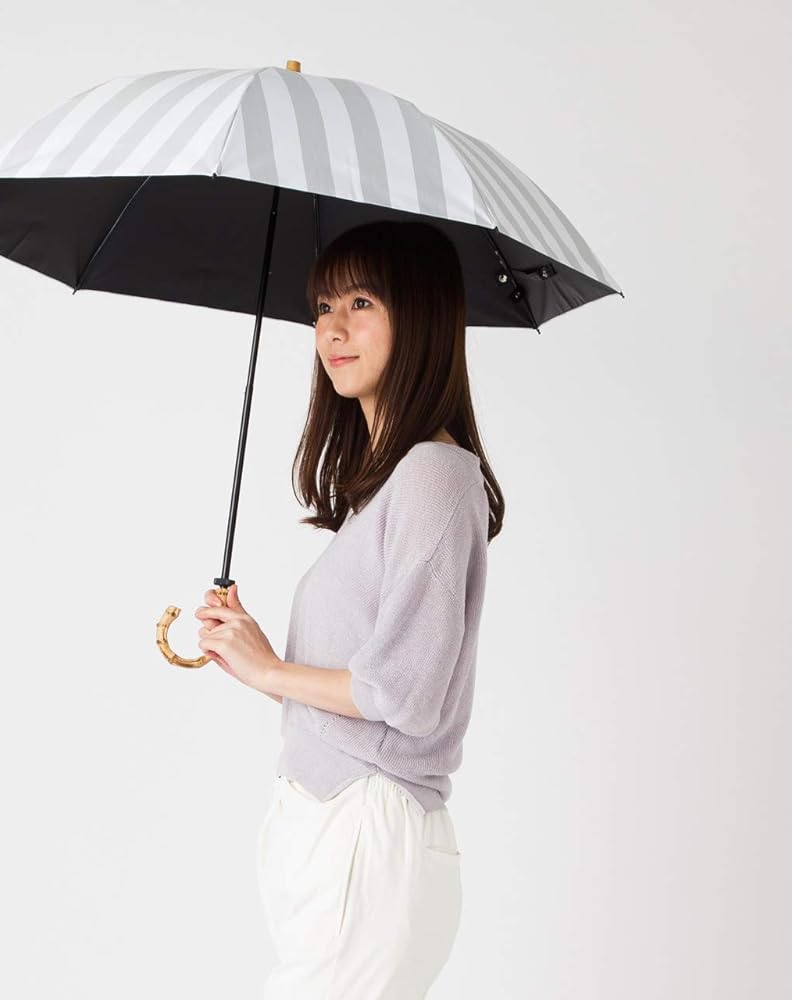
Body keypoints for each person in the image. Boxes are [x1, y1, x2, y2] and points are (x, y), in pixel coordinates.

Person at [193, 219, 503, 998]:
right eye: (322, 307)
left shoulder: (434, 473)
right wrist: (255, 660)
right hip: (334, 831)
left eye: (361, 302)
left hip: (366, 829)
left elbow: (404, 695)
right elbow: (369, 689)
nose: (331, 328)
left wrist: (271, 669)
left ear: (421, 315)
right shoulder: (388, 490)